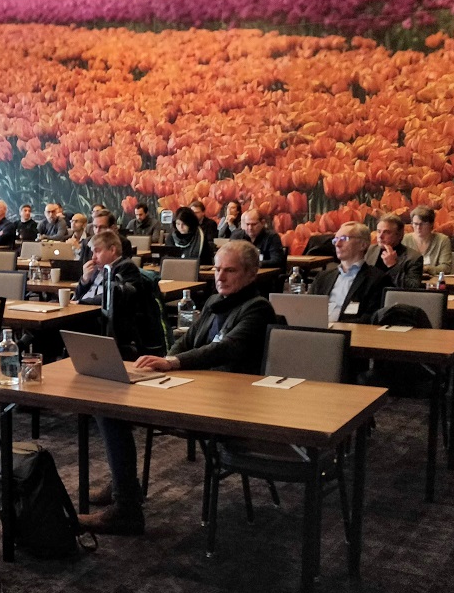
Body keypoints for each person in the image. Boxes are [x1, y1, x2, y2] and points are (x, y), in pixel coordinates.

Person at [79, 240, 277, 536]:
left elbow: (225, 348)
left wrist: (172, 362)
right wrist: (165, 361)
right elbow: (187, 340)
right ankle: (125, 489)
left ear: (251, 274)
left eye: (230, 271)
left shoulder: (258, 308)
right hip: (194, 389)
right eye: (217, 270)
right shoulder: (215, 301)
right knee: (108, 406)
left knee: (112, 411)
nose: (220, 277)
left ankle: (126, 506)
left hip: (230, 404)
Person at [75, 230, 167, 358]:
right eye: (92, 252)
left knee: (72, 326)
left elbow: (112, 296)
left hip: (107, 320)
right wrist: (85, 279)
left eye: (97, 251)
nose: (93, 257)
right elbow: (77, 296)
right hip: (86, 312)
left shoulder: (126, 267)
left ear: (112, 250)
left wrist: (81, 302)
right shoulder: (96, 269)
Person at [311, 222, 388, 323]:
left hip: (351, 330)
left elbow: (371, 317)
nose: (337, 244)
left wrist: (339, 326)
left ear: (363, 245)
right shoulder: (323, 277)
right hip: (319, 327)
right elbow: (308, 308)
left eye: (344, 239)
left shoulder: (377, 279)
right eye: (335, 240)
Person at [364, 213, 423, 289]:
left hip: (394, 296)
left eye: (387, 232)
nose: (380, 236)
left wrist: (392, 266)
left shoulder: (413, 258)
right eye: (378, 231)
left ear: (399, 235)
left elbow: (412, 288)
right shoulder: (369, 250)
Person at [402, 205, 453, 276]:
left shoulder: (442, 240)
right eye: (415, 224)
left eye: (422, 224)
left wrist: (426, 269)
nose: (418, 227)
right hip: (409, 279)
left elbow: (446, 268)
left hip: (434, 281)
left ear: (431, 224)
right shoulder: (404, 239)